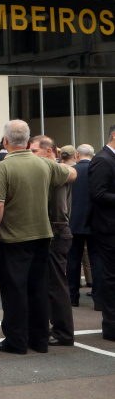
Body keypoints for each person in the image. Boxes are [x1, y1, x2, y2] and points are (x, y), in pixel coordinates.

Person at [0, 120, 76, 354]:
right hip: (42, 235)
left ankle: (16, 341)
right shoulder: (44, 164)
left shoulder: (3, 167)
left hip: (13, 238)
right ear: (28, 141)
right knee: (38, 288)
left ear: (6, 141)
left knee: (14, 291)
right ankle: (39, 340)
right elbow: (71, 174)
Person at [29, 134, 75, 347]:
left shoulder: (55, 172)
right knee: (51, 285)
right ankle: (57, 330)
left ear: (49, 152)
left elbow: (59, 213)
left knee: (56, 286)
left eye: (34, 151)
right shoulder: (51, 170)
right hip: (54, 233)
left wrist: (50, 233)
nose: (31, 155)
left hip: (55, 235)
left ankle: (63, 332)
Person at [88, 123, 115, 342]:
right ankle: (111, 326)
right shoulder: (103, 160)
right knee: (111, 277)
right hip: (107, 229)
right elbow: (97, 194)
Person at [68, 144, 100, 309]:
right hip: (95, 222)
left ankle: (73, 297)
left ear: (76, 155)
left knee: (73, 260)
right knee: (97, 260)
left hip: (74, 222)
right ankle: (98, 298)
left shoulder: (71, 172)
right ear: (93, 156)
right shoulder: (98, 171)